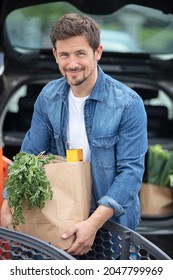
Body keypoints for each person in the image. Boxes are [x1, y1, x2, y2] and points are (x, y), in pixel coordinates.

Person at [1, 13, 148, 257]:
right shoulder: (48, 97)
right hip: (61, 215)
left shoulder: (127, 103)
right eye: (65, 55)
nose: (72, 63)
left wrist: (92, 225)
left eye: (80, 53)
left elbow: (130, 173)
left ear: (97, 52)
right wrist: (9, 200)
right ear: (55, 55)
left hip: (113, 223)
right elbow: (29, 154)